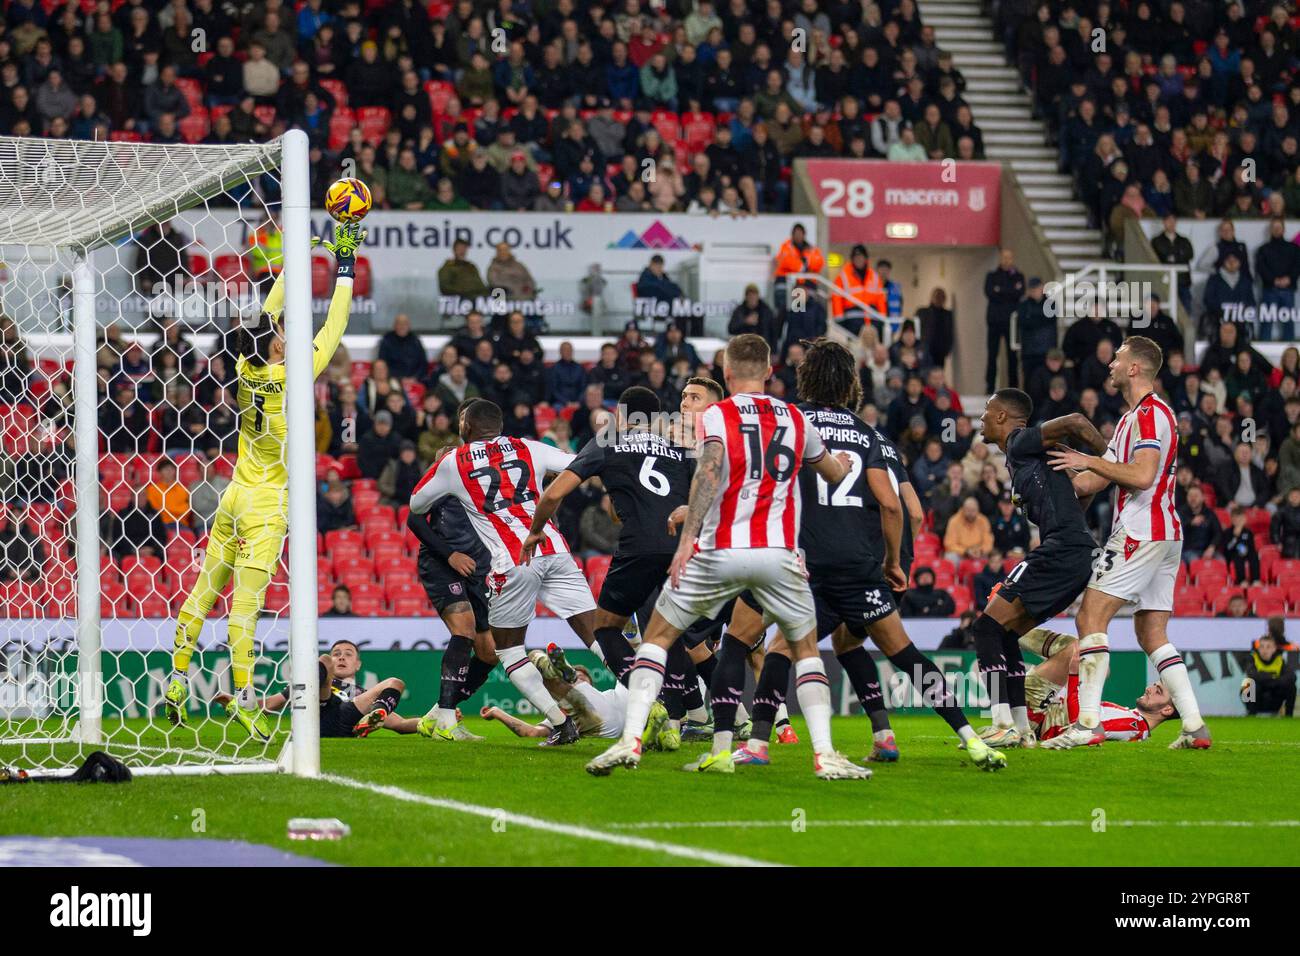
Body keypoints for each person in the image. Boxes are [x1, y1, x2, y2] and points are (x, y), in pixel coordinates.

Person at [584, 333, 870, 780]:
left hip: (721, 552)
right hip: (779, 555)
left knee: (657, 637)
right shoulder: (796, 417)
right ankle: (826, 755)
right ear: (771, 372)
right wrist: (846, 467)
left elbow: (710, 468)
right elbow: (833, 473)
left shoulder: (716, 415)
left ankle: (631, 741)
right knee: (807, 650)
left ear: (727, 373)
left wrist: (687, 537)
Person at [731, 339, 1004, 770]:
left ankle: (758, 745)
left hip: (809, 561)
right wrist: (893, 561)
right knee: (906, 654)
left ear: (807, 377)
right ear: (849, 383)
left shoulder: (793, 420)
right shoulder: (866, 432)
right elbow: (894, 505)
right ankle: (971, 738)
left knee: (781, 648)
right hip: (860, 564)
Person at [164, 221, 364, 739]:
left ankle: (177, 681)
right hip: (267, 503)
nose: (283, 334)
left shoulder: (243, 364)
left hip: (233, 492)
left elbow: (266, 311)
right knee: (245, 605)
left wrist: (295, 261)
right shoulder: (293, 369)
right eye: (279, 335)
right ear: (276, 346)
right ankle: (246, 700)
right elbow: (335, 325)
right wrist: (343, 265)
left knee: (203, 592)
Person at [1049, 336, 1212, 750]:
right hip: (1164, 534)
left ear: (1135, 368)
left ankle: (1087, 725)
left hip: (1142, 530)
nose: (1112, 365)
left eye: (1118, 359)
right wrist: (1050, 482)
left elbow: (1140, 476)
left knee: (1089, 619)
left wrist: (1089, 459)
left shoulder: (1152, 415)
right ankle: (1194, 726)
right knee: (1151, 632)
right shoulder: (1130, 420)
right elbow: (1097, 479)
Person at [409, 399, 596, 747]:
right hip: (519, 552)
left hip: (501, 563)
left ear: (467, 426)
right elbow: (581, 464)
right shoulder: (518, 449)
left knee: (498, 651)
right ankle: (654, 706)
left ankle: (443, 712)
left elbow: (415, 503)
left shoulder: (456, 463)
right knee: (598, 636)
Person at [969, 389, 1108, 747]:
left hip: (1061, 550)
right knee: (1004, 633)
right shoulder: (1028, 459)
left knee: (985, 628)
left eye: (986, 410)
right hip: (1072, 555)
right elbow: (1077, 498)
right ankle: (1021, 730)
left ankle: (1001, 724)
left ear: (1002, 416)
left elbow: (1076, 422)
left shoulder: (1018, 443)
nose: (982, 418)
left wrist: (1110, 457)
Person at [405, 402, 498, 741]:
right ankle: (446, 720)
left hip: (480, 569)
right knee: (465, 630)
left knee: (489, 653)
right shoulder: (441, 477)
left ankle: (437, 713)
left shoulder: (487, 479)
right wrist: (451, 554)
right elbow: (414, 518)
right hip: (443, 563)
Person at [220, 642, 419, 738]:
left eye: (348, 654)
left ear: (357, 664)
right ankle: (370, 716)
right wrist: (239, 703)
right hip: (319, 711)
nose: (341, 658)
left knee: (395, 682)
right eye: (337, 654)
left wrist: (436, 720)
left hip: (348, 717)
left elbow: (400, 724)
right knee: (320, 660)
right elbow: (270, 704)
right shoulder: (307, 682)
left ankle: (375, 714)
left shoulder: (360, 693)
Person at [1020, 634, 1181, 743]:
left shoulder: (1132, 725)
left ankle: (1003, 626)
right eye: (1154, 685)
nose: (1149, 689)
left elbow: (1080, 727)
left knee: (1077, 648)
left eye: (1158, 691)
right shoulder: (1134, 720)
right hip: (1046, 710)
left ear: (1166, 710)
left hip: (1039, 716)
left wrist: (1074, 674)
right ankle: (1006, 630)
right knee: (1095, 661)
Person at [483, 649, 628, 739]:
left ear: (591, 682)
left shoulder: (608, 694)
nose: (581, 678)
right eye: (578, 677)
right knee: (533, 657)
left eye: (583, 677)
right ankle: (553, 669)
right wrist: (497, 712)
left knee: (631, 676)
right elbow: (532, 732)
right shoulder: (561, 714)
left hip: (625, 710)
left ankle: (553, 669)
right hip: (594, 723)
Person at [984, 248, 1025, 392]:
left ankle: (1013, 388)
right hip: (995, 321)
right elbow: (990, 293)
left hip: (1011, 323)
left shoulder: (1018, 276)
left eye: (1009, 257)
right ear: (1000, 259)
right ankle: (990, 387)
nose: (1006, 260)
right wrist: (1009, 291)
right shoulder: (992, 276)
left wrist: (1000, 290)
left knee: (1012, 356)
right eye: (1004, 257)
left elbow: (1018, 293)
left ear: (1012, 259)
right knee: (992, 355)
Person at [829, 243, 886, 336]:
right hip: (852, 322)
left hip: (872, 322)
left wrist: (882, 319)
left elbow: (881, 299)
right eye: (856, 257)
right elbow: (836, 298)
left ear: (865, 259)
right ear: (852, 259)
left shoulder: (874, 276)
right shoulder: (843, 276)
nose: (858, 260)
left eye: (861, 257)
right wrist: (839, 320)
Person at [1241, 631, 1296, 716]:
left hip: (1274, 698)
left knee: (1291, 686)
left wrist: (1267, 680)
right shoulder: (1252, 658)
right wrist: (1273, 679)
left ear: (1274, 649)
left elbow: (1292, 676)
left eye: (1268, 647)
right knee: (1248, 683)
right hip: (1257, 699)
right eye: (1262, 647)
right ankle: (1251, 714)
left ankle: (1288, 716)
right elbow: (1252, 674)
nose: (1264, 650)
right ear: (1258, 648)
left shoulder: (1280, 660)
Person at [377, 313, 427, 382]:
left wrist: (415, 378)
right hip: (392, 380)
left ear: (409, 326)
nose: (402, 326)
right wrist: (398, 379)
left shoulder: (416, 341)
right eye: (399, 323)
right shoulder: (386, 340)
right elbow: (382, 365)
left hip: (414, 380)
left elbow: (423, 365)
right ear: (394, 326)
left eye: (405, 323)